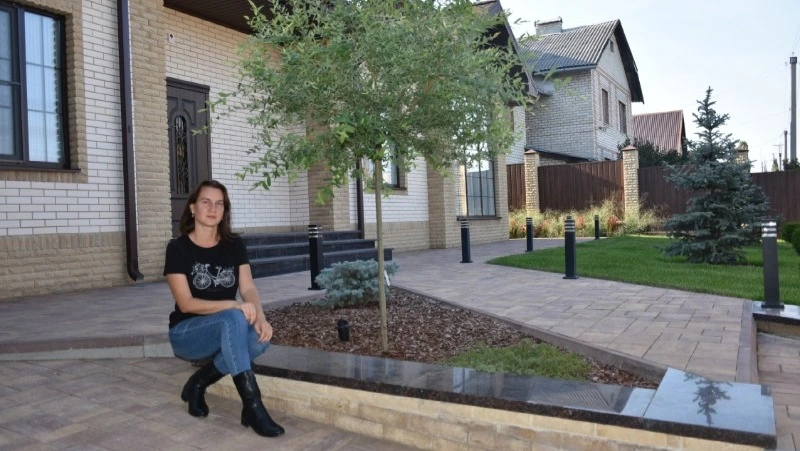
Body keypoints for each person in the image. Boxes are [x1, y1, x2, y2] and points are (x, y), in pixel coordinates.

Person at [163, 180, 284, 438]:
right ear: (193, 208)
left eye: (219, 203)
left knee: (260, 340)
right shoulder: (177, 248)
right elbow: (186, 303)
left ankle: (197, 383)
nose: (213, 208)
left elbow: (248, 288)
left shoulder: (234, 245)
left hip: (226, 326)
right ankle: (253, 406)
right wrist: (232, 304)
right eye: (206, 202)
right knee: (233, 317)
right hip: (187, 333)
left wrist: (261, 318)